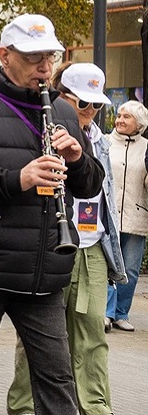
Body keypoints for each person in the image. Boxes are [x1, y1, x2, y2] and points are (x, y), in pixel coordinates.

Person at [0, 14, 102, 415]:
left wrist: (77, 161)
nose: (44, 67)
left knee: (57, 381)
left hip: (43, 272)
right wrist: (16, 180)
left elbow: (90, 186)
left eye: (49, 57)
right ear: (4, 55)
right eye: (33, 58)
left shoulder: (62, 112)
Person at [7, 62, 127, 415]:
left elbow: (103, 197)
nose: (90, 112)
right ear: (61, 97)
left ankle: (95, 409)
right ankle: (24, 409)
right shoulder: (39, 131)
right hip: (50, 245)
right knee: (38, 341)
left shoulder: (99, 140)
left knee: (92, 339)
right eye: (82, 103)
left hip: (92, 248)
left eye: (97, 105)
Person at [107, 99, 148, 331]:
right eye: (119, 115)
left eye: (126, 117)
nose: (120, 120)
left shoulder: (146, 148)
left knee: (130, 269)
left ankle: (122, 313)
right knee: (105, 265)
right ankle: (106, 312)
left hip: (136, 216)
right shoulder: (105, 142)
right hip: (107, 216)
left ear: (139, 124)